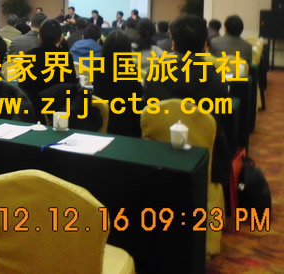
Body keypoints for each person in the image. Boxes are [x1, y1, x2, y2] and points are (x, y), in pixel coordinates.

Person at [145, 14, 229, 187]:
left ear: (173, 44)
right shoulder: (218, 79)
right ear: (205, 45)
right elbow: (221, 123)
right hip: (204, 165)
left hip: (156, 160)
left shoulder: (154, 73)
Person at [21, 18, 78, 119]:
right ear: (61, 39)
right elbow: (71, 88)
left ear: (39, 38)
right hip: (60, 115)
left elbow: (23, 87)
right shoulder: (65, 57)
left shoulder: (29, 56)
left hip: (33, 114)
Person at [93, 30, 143, 138]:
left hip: (100, 120)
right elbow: (138, 95)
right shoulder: (129, 70)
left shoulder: (96, 66)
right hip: (125, 125)